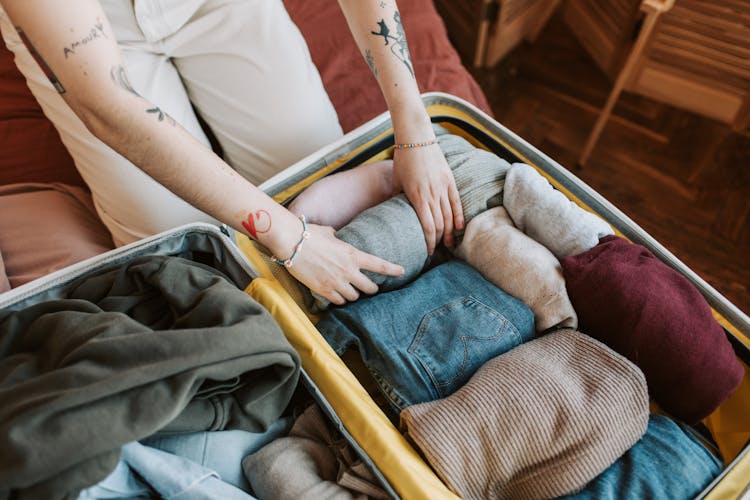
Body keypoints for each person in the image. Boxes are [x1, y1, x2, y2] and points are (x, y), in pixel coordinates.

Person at [0, 0, 464, 306]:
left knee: (322, 182)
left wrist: (413, 126)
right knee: (183, 259)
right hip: (88, 34)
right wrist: (290, 238)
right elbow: (108, 104)